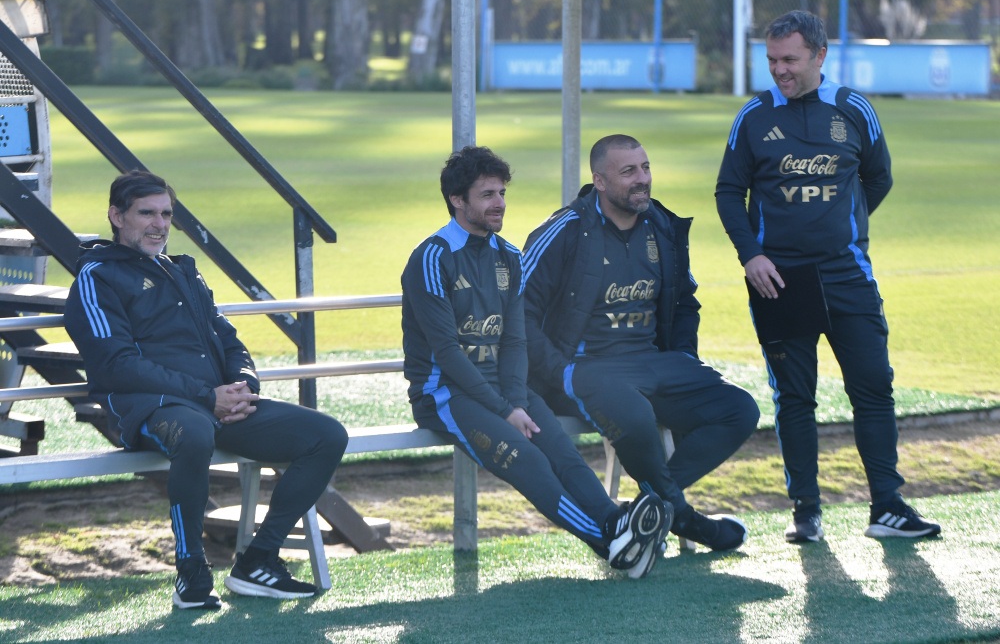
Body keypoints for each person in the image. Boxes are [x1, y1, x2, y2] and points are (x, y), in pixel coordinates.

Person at [64, 170, 349, 609]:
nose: (159, 224)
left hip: (216, 404)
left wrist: (244, 387)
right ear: (116, 216)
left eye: (166, 214)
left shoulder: (183, 271)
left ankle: (258, 559)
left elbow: (229, 339)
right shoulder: (97, 277)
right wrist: (205, 397)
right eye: (147, 214)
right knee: (194, 433)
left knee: (326, 435)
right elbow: (116, 365)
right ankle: (191, 572)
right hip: (152, 410)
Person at [714, 10, 941, 543]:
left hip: (847, 275)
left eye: (790, 59)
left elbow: (878, 178)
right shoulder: (752, 117)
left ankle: (886, 506)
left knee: (874, 388)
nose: (779, 71)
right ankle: (806, 513)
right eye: (772, 60)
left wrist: (845, 228)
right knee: (794, 398)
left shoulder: (853, 109)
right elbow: (729, 192)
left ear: (820, 56)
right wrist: (751, 255)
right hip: (778, 280)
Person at [401, 145, 669, 579]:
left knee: (563, 453)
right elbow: (448, 354)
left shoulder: (509, 257)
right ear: (457, 200)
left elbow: (514, 339)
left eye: (502, 193)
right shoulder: (432, 258)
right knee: (529, 461)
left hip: (505, 389)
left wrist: (515, 400)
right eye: (487, 195)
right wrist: (505, 409)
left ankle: (618, 523)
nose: (500, 204)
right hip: (446, 393)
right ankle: (611, 542)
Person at [522, 134, 760, 554]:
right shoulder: (564, 230)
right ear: (598, 180)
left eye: (646, 168)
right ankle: (685, 518)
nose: (642, 180)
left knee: (739, 409)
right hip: (583, 370)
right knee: (636, 414)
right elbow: (518, 315)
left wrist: (683, 356)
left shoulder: (663, 226)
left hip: (653, 364)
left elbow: (685, 302)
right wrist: (559, 372)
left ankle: (650, 508)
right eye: (628, 171)